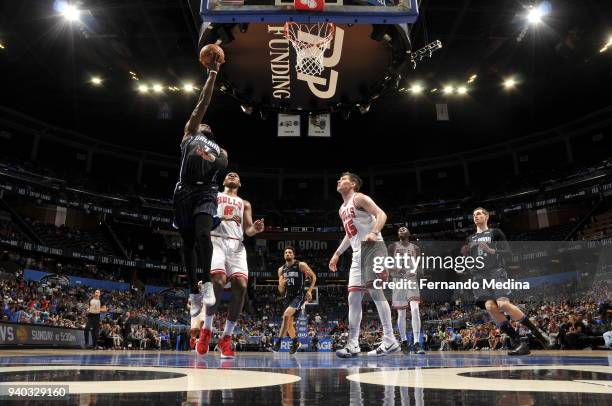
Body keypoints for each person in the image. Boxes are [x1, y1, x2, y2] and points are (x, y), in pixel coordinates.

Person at [173, 53, 228, 334]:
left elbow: (219, 170)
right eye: (202, 123)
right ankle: (192, 290)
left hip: (206, 192)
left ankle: (206, 283)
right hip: (184, 190)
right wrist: (212, 75)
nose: (204, 124)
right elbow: (202, 104)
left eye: (208, 126)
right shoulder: (190, 132)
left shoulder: (221, 153)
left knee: (204, 234)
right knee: (187, 243)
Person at [462, 207, 551, 356]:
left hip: (496, 271)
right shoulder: (470, 239)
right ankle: (519, 342)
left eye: (478, 214)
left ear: (486, 216)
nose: (475, 216)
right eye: (473, 215)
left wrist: (492, 251)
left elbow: (509, 253)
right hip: (478, 277)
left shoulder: (495, 232)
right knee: (490, 307)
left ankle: (540, 335)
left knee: (503, 304)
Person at [329, 172, 400, 357]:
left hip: (373, 247)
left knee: (375, 292)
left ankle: (390, 339)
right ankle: (352, 344)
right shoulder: (341, 208)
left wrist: (375, 232)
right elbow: (349, 233)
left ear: (353, 184)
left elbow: (381, 214)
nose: (339, 180)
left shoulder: (359, 198)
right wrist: (337, 253)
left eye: (343, 179)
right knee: (353, 298)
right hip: (357, 253)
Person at [196, 172, 265, 358]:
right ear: (224, 181)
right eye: (229, 175)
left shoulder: (245, 203)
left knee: (241, 286)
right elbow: (204, 220)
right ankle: (207, 330)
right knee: (218, 281)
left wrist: (255, 229)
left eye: (236, 176)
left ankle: (226, 337)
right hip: (216, 241)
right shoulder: (215, 196)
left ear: (240, 183)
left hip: (236, 245)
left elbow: (248, 230)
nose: (232, 175)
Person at [272, 247, 317, 355]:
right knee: (288, 324)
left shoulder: (301, 265)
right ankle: (296, 342)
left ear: (293, 255)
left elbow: (314, 277)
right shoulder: (281, 270)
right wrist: (281, 285)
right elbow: (281, 290)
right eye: (286, 252)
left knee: (286, 315)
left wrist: (310, 291)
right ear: (284, 255)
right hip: (287, 297)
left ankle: (278, 342)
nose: (288, 254)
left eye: (290, 252)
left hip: (299, 295)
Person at [388, 227, 425, 354]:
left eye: (405, 228)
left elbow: (420, 267)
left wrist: (418, 270)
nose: (402, 229)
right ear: (397, 234)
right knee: (401, 313)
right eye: (399, 229)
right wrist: (395, 269)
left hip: (411, 280)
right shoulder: (392, 247)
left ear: (409, 233)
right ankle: (404, 341)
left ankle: (416, 343)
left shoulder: (416, 248)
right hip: (398, 280)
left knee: (415, 309)